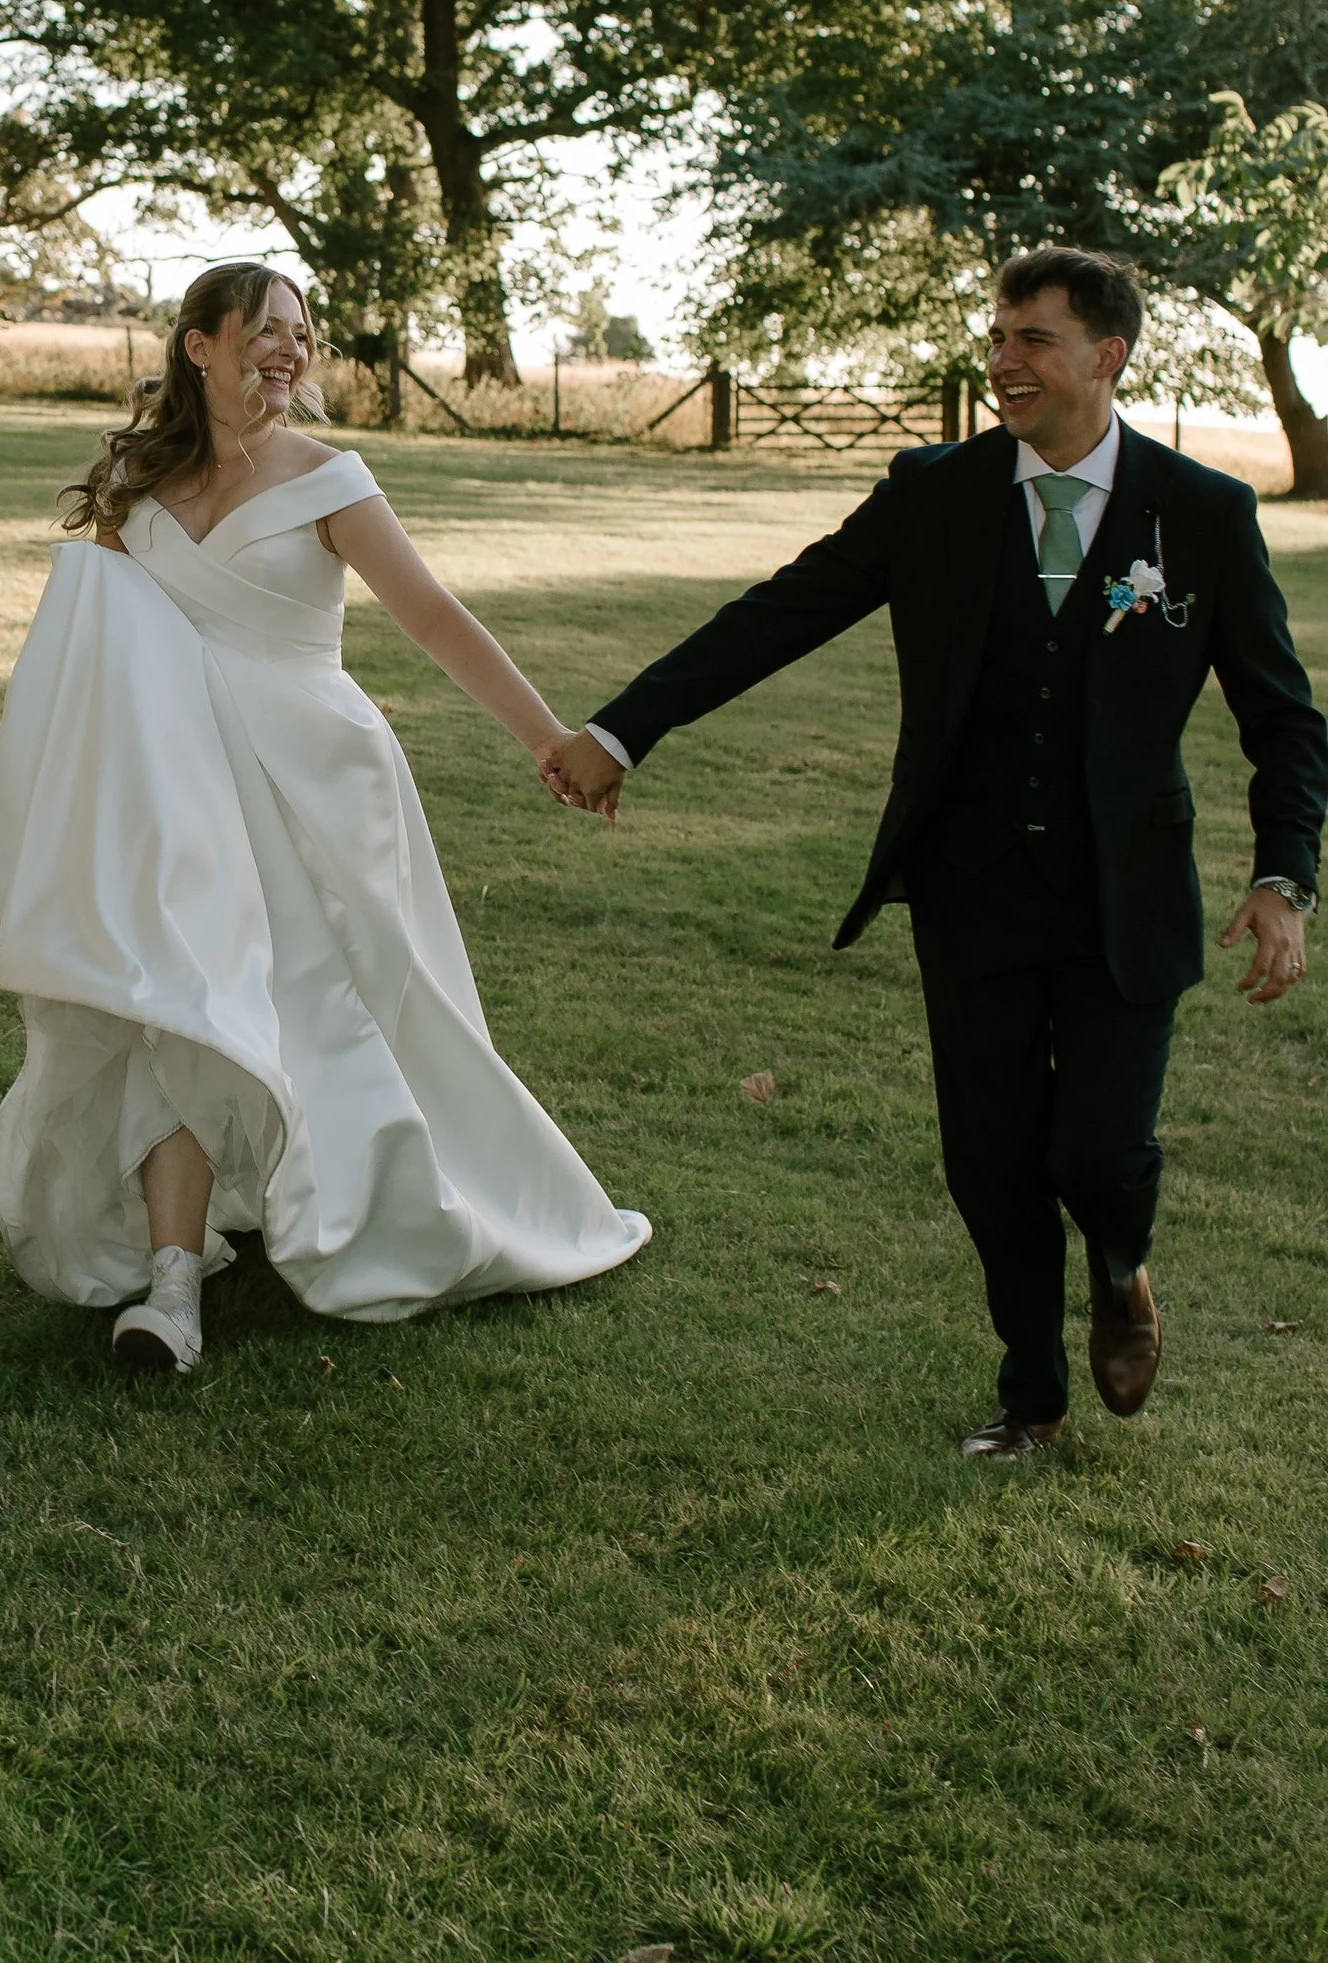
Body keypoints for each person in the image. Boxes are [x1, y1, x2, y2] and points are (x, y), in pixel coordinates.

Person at [546, 248, 1325, 1455]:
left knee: (1100, 1153)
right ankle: (1031, 1395)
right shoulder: (933, 494)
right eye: (998, 335)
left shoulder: (1203, 515)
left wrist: (1283, 878)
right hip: (969, 887)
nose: (1002, 361)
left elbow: (1281, 719)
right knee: (991, 1161)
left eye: (1033, 340)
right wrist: (621, 730)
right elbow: (779, 613)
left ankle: (1119, 1269)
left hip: (1126, 895)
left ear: (1105, 357)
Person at [0, 261, 647, 1371]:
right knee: (168, 999)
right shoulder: (136, 477)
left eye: (302, 336)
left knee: (341, 1011)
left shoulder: (329, 478)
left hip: (315, 785)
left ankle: (378, 1192)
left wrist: (549, 737)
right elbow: (102, 644)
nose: (289, 350)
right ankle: (171, 1287)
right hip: (175, 794)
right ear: (199, 344)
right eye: (265, 329)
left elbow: (430, 613)